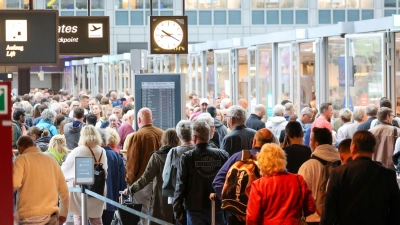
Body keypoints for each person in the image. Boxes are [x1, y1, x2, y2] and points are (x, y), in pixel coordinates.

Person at [320, 130, 400, 225]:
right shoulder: (388, 175)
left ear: (353, 148)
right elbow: (396, 211)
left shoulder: (338, 173)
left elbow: (328, 212)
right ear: (374, 149)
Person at [213, 128, 278, 225]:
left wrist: (233, 205)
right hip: (264, 216)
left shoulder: (238, 157)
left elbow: (217, 181)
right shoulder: (275, 162)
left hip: (237, 217)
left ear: (254, 141)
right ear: (271, 144)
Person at [174, 120, 229, 225]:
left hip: (194, 207)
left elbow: (180, 185)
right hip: (217, 205)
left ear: (194, 137)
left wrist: (177, 208)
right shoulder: (223, 155)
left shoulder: (187, 157)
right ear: (209, 136)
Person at [246, 143, 315, 225]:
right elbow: (310, 208)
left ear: (261, 162)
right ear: (282, 159)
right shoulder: (298, 179)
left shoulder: (258, 185)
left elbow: (252, 218)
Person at [13, 136, 69, 225]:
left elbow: (14, 184)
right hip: (51, 216)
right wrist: (63, 213)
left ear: (20, 148)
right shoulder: (51, 161)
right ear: (35, 145)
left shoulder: (21, 159)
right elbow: (64, 191)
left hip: (28, 217)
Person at [128, 129, 178, 225]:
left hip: (161, 199)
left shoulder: (156, 156)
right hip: (178, 198)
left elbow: (146, 178)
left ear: (164, 140)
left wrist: (132, 188)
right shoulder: (182, 155)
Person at [124, 107, 163, 225]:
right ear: (152, 119)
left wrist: (130, 183)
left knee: (141, 216)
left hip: (142, 183)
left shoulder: (137, 136)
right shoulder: (162, 133)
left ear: (139, 119)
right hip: (160, 182)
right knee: (158, 215)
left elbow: (132, 162)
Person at [62, 125, 108, 224]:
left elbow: (65, 169)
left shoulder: (78, 150)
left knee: (79, 217)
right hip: (98, 188)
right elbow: (105, 170)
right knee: (96, 219)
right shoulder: (102, 151)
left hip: (80, 189)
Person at [298, 127, 340, 224]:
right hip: (336, 219)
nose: (309, 143)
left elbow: (301, 195)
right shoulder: (341, 164)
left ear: (316, 144)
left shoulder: (308, 166)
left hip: (313, 219)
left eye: (310, 140)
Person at [162, 120, 195, 224]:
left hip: (177, 197)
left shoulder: (174, 152)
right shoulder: (196, 149)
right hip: (195, 195)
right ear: (192, 133)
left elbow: (165, 175)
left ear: (178, 135)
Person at [97, 128, 126, 225]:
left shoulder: (94, 154)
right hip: (111, 199)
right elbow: (122, 178)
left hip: (94, 200)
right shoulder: (115, 155)